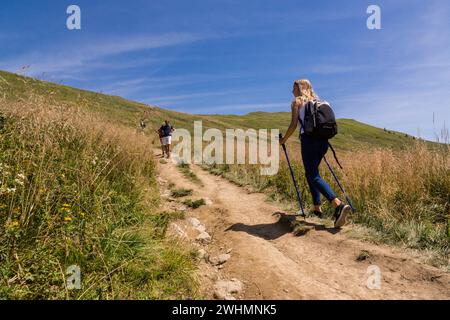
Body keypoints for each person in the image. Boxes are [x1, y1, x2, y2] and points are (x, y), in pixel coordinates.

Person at [280, 79, 351, 228]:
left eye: (293, 88)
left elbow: (294, 125)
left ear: (299, 88)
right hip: (323, 142)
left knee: (312, 175)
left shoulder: (297, 102)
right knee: (311, 174)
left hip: (309, 141)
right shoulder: (320, 102)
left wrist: (283, 140)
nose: (291, 91)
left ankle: (337, 205)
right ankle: (317, 208)